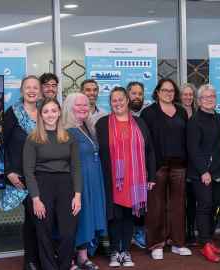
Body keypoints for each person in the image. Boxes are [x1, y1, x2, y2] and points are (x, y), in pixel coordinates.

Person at [95, 87, 156, 268]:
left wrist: (151, 176)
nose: (118, 103)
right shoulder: (102, 124)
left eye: (121, 99)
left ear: (127, 100)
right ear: (110, 103)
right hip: (112, 178)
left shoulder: (140, 123)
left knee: (129, 215)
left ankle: (126, 251)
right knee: (114, 216)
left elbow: (150, 150)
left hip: (135, 177)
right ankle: (115, 251)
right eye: (114, 100)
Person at [23, 98, 82, 270]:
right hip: (42, 186)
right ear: (41, 115)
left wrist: (77, 195)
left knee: (68, 233)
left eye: (54, 111)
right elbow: (28, 171)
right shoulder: (33, 138)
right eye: (46, 111)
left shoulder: (70, 137)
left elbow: (76, 168)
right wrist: (35, 199)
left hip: (66, 186)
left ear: (59, 113)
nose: (50, 115)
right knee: (44, 233)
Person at [140, 78, 192, 259]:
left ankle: (178, 243)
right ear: (157, 92)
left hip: (179, 166)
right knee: (156, 206)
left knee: (178, 206)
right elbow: (145, 144)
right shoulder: (148, 113)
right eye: (165, 90)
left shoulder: (182, 112)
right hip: (157, 166)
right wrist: (148, 168)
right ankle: (156, 244)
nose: (168, 93)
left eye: (171, 90)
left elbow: (187, 140)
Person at [62, 93, 107, 270]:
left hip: (94, 180)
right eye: (78, 105)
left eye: (85, 105)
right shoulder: (64, 130)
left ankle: (83, 256)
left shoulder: (88, 127)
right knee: (76, 219)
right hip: (77, 182)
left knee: (88, 217)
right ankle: (69, 259)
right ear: (69, 107)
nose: (83, 108)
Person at [2, 75, 40, 270]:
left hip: (44, 174)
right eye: (28, 87)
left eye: (35, 87)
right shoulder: (12, 113)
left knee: (43, 219)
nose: (32, 90)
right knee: (33, 218)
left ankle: (42, 258)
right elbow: (1, 145)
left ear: (40, 91)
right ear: (22, 91)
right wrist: (8, 171)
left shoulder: (46, 112)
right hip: (21, 177)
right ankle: (31, 261)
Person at [187, 84, 220, 263]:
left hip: (218, 171)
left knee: (214, 206)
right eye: (206, 97)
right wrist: (204, 171)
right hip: (201, 174)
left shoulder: (219, 118)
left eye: (213, 96)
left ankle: (210, 240)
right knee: (204, 207)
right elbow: (193, 149)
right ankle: (204, 245)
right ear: (199, 100)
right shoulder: (195, 121)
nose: (210, 99)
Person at [125, 81, 147, 249]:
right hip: (123, 170)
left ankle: (139, 232)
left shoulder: (145, 116)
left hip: (141, 168)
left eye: (140, 94)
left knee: (141, 203)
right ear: (127, 95)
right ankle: (124, 235)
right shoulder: (118, 115)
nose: (137, 97)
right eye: (134, 93)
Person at [180, 82, 198, 246]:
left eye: (190, 94)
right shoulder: (176, 112)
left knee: (192, 199)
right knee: (179, 200)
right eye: (185, 94)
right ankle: (178, 232)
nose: (188, 97)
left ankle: (191, 230)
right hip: (180, 162)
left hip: (195, 163)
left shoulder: (198, 112)